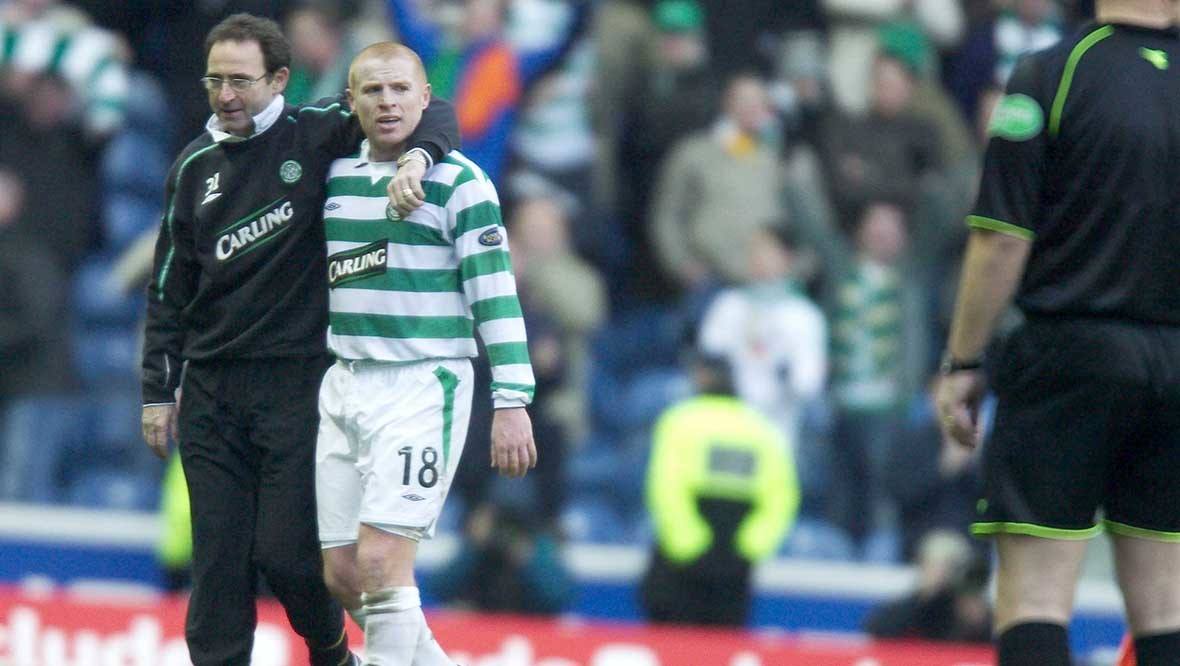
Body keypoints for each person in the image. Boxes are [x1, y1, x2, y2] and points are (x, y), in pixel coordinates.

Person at [139, 14, 459, 666]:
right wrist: (155, 390)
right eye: (215, 80)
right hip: (211, 388)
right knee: (218, 565)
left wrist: (421, 159)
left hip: (296, 384)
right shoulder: (193, 168)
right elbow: (169, 288)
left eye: (241, 80)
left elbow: (437, 112)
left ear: (280, 78)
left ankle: (332, 654)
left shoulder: (316, 134)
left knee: (289, 555)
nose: (226, 94)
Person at [935, 2, 1180, 664]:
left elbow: (1000, 244)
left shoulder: (1053, 73)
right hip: (1175, 367)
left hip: (1069, 355)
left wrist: (962, 361)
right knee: (1166, 610)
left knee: (1036, 598)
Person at [313, 42, 536, 664]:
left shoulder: (461, 183)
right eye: (373, 91)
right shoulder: (333, 174)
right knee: (344, 573)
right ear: (350, 101)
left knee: (384, 561)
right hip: (345, 381)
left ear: (425, 99)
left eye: (401, 90)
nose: (388, 103)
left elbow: (495, 295)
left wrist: (512, 399)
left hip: (421, 383)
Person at [641, 351, 799, 626]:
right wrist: (747, 548)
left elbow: (667, 488)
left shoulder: (681, 421)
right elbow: (781, 497)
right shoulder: (761, 429)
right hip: (736, 561)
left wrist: (690, 544)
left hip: (680, 565)